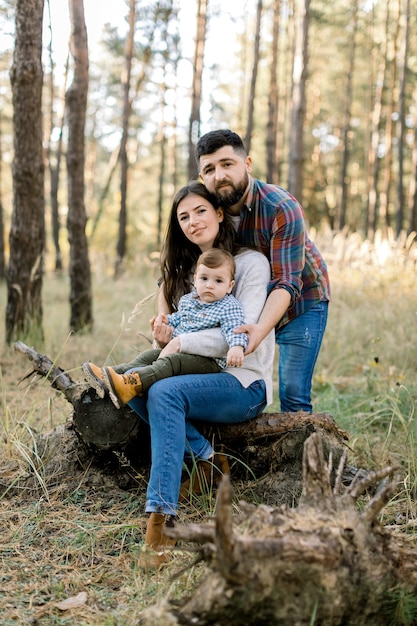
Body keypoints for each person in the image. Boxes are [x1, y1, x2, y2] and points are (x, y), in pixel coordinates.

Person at [119, 181, 275, 569]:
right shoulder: (190, 272)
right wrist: (166, 336)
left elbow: (238, 335)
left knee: (162, 393)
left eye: (200, 211)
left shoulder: (251, 264)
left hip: (243, 381)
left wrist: (179, 344)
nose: (192, 222)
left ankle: (161, 522)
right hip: (199, 372)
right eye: (183, 216)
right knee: (131, 378)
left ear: (220, 213)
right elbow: (179, 333)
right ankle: (206, 462)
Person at [195, 129, 331, 414]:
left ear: (247, 164)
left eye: (227, 164)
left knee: (293, 392)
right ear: (201, 177)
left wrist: (259, 331)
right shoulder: (203, 211)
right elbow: (177, 263)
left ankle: (306, 456)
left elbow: (286, 281)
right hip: (248, 299)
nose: (219, 175)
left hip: (302, 300)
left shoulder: (281, 207)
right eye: (209, 169)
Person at [82, 248, 248, 409]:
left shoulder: (229, 306)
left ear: (229, 286)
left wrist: (236, 347)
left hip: (207, 360)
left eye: (218, 281)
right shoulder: (189, 300)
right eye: (204, 278)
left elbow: (235, 328)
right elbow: (178, 318)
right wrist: (165, 321)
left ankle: (133, 385)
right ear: (196, 279)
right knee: (148, 355)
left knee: (171, 362)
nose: (209, 285)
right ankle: (109, 376)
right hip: (181, 352)